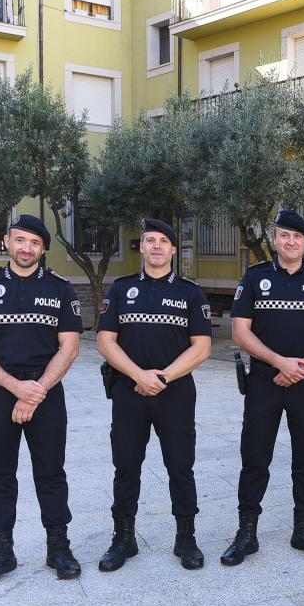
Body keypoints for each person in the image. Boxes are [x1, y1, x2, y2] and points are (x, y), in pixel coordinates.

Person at [0, 214, 84, 587]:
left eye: (34, 242)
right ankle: (1, 550)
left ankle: (58, 547)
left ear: (43, 248)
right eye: (19, 240)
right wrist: (18, 389)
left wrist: (37, 390)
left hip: (46, 391)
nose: (26, 248)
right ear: (7, 242)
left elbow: (70, 347)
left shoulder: (62, 289)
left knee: (51, 473)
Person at [220, 210, 304, 566]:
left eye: (297, 237)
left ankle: (303, 529)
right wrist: (280, 363)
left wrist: (300, 366)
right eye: (284, 235)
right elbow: (240, 331)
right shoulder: (256, 277)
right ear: (276, 239)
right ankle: (247, 533)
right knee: (255, 458)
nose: (291, 242)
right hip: (264, 383)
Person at [96, 218, 213, 571]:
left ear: (174, 249)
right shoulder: (120, 289)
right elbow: (105, 340)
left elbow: (203, 346)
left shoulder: (191, 293)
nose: (157, 246)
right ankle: (123, 538)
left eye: (164, 241)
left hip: (175, 393)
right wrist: (137, 375)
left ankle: (186, 537)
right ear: (142, 247)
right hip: (128, 392)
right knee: (126, 465)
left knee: (181, 466)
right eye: (150, 240)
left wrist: (161, 378)